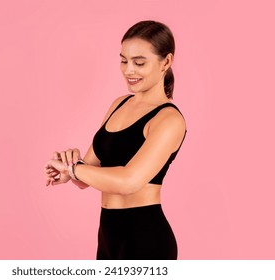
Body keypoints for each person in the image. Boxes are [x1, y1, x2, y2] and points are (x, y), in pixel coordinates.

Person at [44, 20, 187, 260]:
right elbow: (87, 175)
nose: (128, 70)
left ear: (166, 62)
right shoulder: (119, 104)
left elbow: (127, 182)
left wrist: (75, 169)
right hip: (108, 235)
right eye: (123, 60)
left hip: (145, 239)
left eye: (139, 63)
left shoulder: (169, 119)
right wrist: (68, 168)